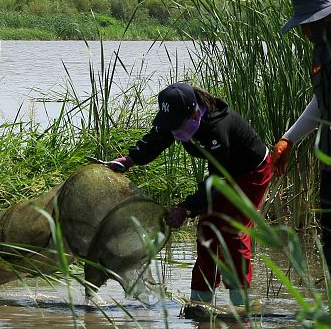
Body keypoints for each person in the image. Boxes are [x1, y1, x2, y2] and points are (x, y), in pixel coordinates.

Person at [105, 82, 273, 317]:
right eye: (170, 125)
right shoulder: (176, 115)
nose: (174, 131)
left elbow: (217, 181)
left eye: (177, 125)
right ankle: (199, 305)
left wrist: (186, 208)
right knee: (208, 232)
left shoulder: (216, 129)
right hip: (223, 172)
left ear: (195, 113)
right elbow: (156, 140)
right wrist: (130, 159)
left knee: (232, 233)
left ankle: (240, 308)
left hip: (249, 172)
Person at [271, 0, 331, 316]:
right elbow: (320, 103)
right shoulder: (321, 51)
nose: (304, 32)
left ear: (327, 20)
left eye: (307, 25)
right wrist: (288, 139)